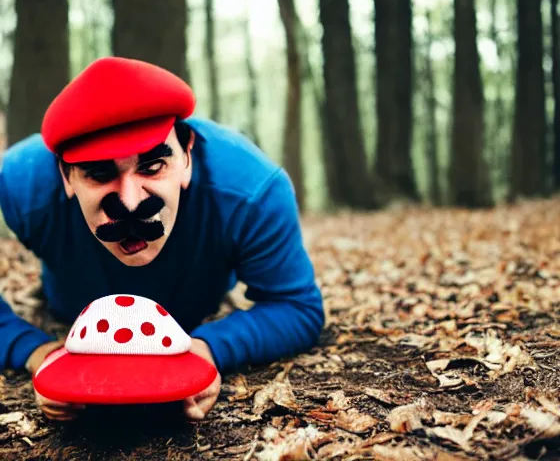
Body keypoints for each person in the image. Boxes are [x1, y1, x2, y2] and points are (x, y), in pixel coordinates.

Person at [0, 56, 325, 421]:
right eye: (98, 174)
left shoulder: (250, 192)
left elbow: (297, 306)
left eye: (153, 166)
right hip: (69, 309)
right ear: (65, 176)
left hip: (194, 309)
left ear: (186, 156)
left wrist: (207, 348)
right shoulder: (21, 187)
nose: (131, 200)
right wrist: (36, 351)